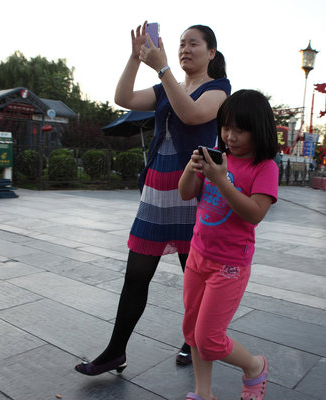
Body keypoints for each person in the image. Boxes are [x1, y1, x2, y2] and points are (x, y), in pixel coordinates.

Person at [75, 22, 231, 376]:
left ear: (211, 53)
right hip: (156, 192)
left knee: (194, 278)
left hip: (194, 192)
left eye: (194, 44)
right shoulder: (166, 88)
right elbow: (124, 99)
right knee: (136, 275)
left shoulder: (220, 90)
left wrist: (162, 69)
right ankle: (116, 351)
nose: (185, 49)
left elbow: (191, 114)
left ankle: (193, 340)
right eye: (180, 44)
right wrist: (134, 58)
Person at [178, 89, 278, 400]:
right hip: (197, 256)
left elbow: (255, 214)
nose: (230, 136)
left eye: (240, 129)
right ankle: (202, 392)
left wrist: (221, 179)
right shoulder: (218, 157)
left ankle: (254, 366)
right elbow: (185, 193)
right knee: (193, 330)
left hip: (230, 266)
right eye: (226, 127)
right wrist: (192, 168)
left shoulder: (265, 167)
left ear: (258, 129)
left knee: (209, 338)